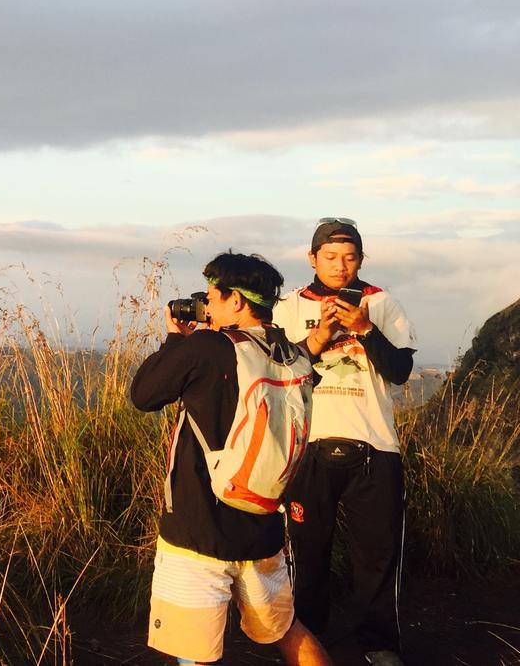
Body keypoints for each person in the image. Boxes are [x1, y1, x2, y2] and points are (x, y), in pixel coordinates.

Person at [131, 251, 331, 666]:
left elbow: (144, 395)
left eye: (212, 296)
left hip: (199, 529)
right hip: (262, 524)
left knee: (194, 654)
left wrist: (176, 339)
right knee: (287, 631)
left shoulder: (207, 346)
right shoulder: (289, 353)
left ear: (236, 302)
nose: (206, 306)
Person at [276, 220, 416, 666]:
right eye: (331, 257)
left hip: (374, 443)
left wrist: (365, 329)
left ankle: (379, 644)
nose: (340, 266)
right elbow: (280, 371)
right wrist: (320, 338)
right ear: (312, 257)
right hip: (307, 444)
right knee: (306, 551)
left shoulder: (382, 302)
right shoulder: (291, 306)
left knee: (376, 554)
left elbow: (399, 372)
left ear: (361, 259)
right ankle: (307, 640)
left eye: (350, 256)